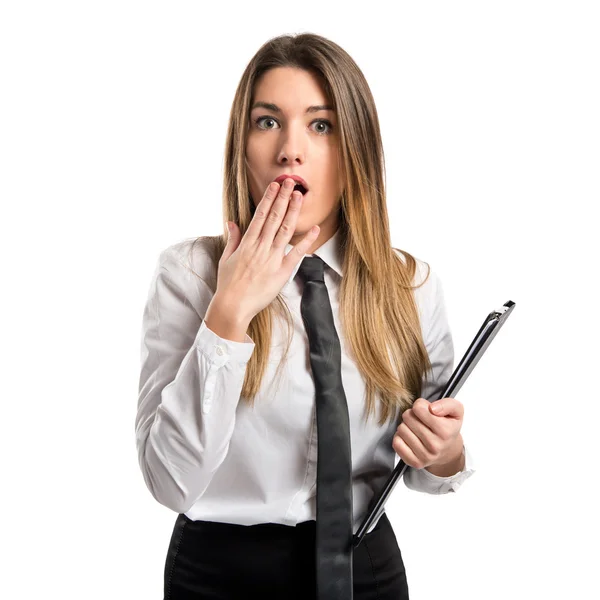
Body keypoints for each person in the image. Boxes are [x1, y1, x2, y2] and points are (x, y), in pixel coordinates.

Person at [135, 32, 476, 600]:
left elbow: (427, 468)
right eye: (267, 122)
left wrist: (445, 454)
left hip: (366, 569)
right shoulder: (190, 274)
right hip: (220, 576)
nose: (290, 149)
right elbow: (170, 481)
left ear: (354, 151)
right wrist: (230, 311)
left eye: (321, 125)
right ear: (241, 146)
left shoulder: (409, 285)